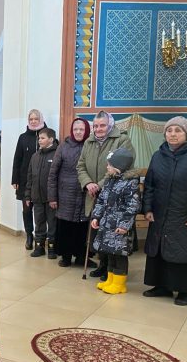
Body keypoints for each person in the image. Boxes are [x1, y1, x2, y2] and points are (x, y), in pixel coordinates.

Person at [142, 117, 187, 306]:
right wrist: (147, 208)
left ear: (186, 134)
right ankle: (161, 286)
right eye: (169, 130)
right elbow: (150, 184)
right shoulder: (158, 156)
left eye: (178, 130)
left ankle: (184, 291)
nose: (172, 134)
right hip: (160, 214)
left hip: (185, 215)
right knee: (159, 250)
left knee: (182, 252)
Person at [77, 110, 135, 280]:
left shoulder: (122, 139)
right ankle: (103, 265)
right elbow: (80, 165)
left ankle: (113, 270)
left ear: (110, 125)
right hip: (93, 193)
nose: (98, 129)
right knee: (98, 231)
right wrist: (88, 183)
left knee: (112, 234)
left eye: (102, 125)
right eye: (95, 126)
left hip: (114, 195)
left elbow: (123, 166)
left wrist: (100, 185)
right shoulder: (89, 141)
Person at [90, 148, 140, 294]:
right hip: (107, 224)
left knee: (119, 254)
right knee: (109, 252)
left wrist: (124, 225)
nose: (107, 167)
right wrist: (96, 217)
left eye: (110, 165)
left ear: (119, 166)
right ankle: (110, 280)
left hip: (119, 227)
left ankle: (119, 284)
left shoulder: (130, 183)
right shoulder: (109, 180)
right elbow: (101, 200)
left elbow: (133, 206)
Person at [48, 118, 91, 267]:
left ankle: (81, 257)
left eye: (81, 129)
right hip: (65, 195)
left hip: (85, 195)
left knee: (82, 228)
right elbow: (53, 173)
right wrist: (52, 197)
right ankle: (65, 257)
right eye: (75, 129)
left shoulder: (91, 145)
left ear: (87, 130)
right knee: (66, 227)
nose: (78, 132)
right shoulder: (63, 146)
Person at [13, 109, 48, 250]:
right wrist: (15, 179)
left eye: (36, 119)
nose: (33, 121)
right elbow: (17, 159)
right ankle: (29, 235)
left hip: (42, 181)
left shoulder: (48, 135)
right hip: (24, 181)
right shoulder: (23, 137)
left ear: (41, 119)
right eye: (31, 119)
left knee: (41, 211)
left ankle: (41, 238)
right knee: (27, 210)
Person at [25, 127, 58, 258]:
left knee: (52, 224)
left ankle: (52, 249)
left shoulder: (57, 154)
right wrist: (28, 195)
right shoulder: (35, 156)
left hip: (51, 199)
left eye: (43, 138)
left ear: (51, 139)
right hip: (36, 197)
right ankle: (39, 247)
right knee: (39, 223)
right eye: (39, 138)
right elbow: (30, 178)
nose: (39, 140)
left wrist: (55, 197)